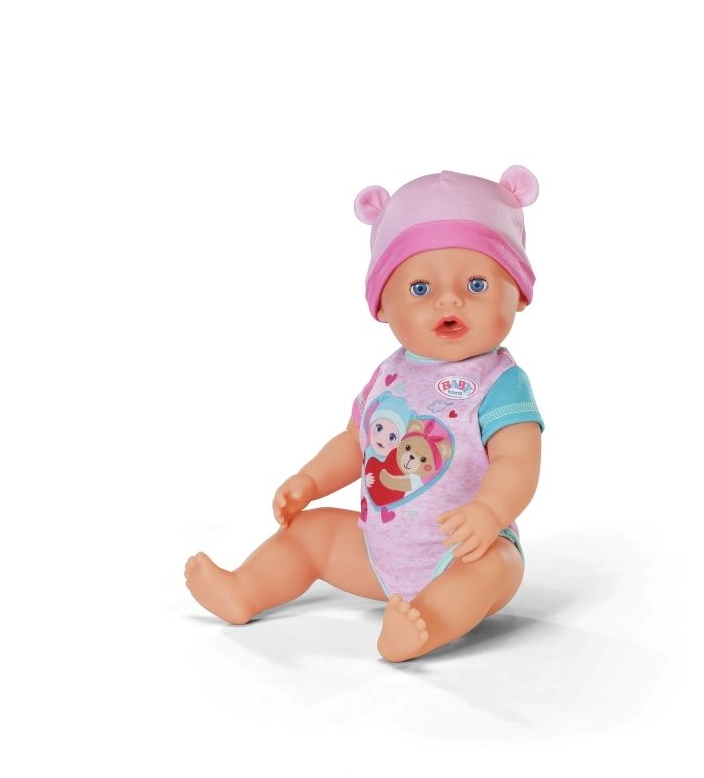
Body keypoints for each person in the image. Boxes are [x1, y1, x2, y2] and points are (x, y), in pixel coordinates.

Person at [185, 167, 545, 662]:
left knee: (493, 570)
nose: (450, 299)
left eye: (477, 283)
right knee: (310, 533)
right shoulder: (389, 375)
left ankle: (426, 626)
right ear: (382, 306)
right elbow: (355, 441)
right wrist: (311, 481)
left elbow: (518, 461)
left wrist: (490, 511)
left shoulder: (500, 381)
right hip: (377, 551)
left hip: (464, 552)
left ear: (518, 293)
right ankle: (244, 589)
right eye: (420, 289)